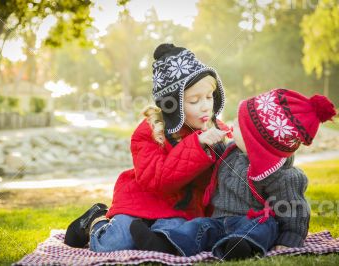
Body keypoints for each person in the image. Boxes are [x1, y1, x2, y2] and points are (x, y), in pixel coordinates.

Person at [129, 88, 337, 260]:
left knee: (263, 226)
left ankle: (241, 246)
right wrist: (204, 141)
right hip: (219, 221)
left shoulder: (281, 175)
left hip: (250, 220)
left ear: (255, 143)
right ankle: (165, 243)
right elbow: (203, 157)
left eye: (239, 125)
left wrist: (289, 239)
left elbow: (294, 208)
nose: (231, 126)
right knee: (197, 227)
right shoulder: (230, 151)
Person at [63, 43, 230, 252]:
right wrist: (197, 144)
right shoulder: (148, 132)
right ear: (174, 105)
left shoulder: (217, 131)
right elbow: (160, 180)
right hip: (141, 200)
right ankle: (95, 221)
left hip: (180, 208)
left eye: (209, 97)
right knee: (113, 244)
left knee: (171, 237)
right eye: (195, 100)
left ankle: (152, 238)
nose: (206, 106)